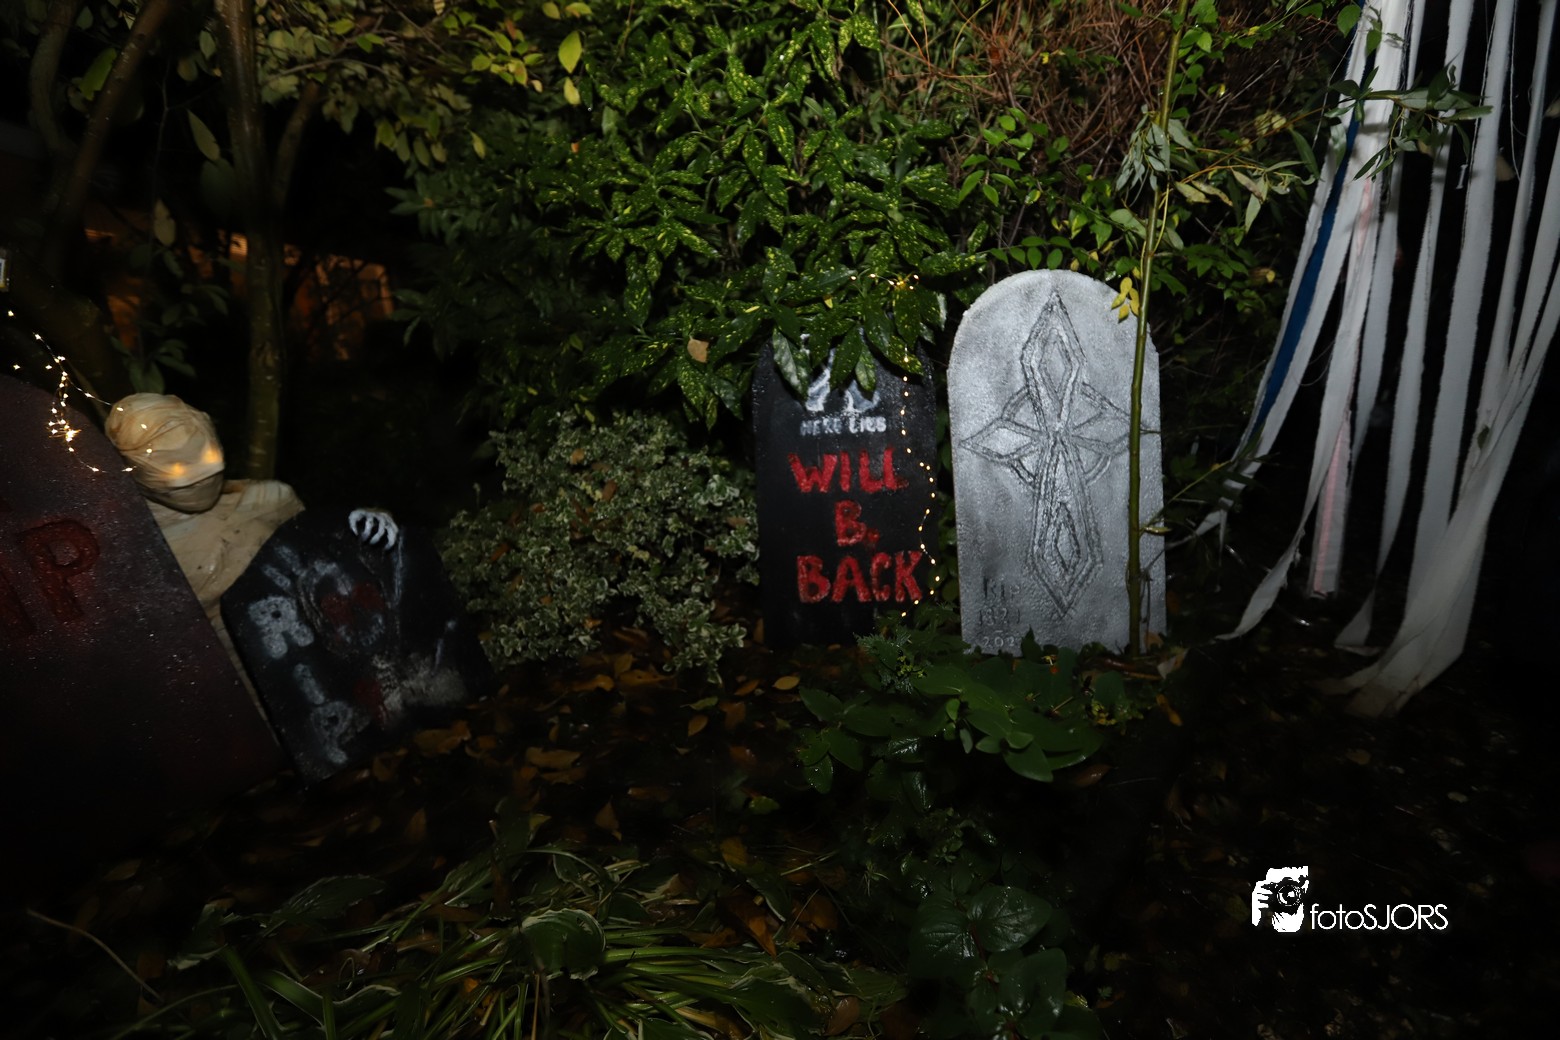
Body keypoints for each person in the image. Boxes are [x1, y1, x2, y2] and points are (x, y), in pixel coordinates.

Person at [104, 393, 396, 693]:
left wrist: (361, 528)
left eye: (206, 458)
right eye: (176, 467)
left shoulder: (268, 501)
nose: (199, 477)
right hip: (228, 692)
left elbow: (328, 564)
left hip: (322, 670)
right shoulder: (133, 552)